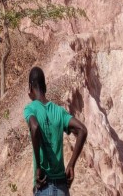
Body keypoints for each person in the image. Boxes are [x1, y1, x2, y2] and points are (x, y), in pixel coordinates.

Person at [24, 66, 87, 194]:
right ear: (45, 87)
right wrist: (71, 165)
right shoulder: (59, 111)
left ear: (30, 87)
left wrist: (39, 168)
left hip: (44, 185)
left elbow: (35, 127)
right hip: (62, 187)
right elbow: (82, 130)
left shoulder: (30, 109)